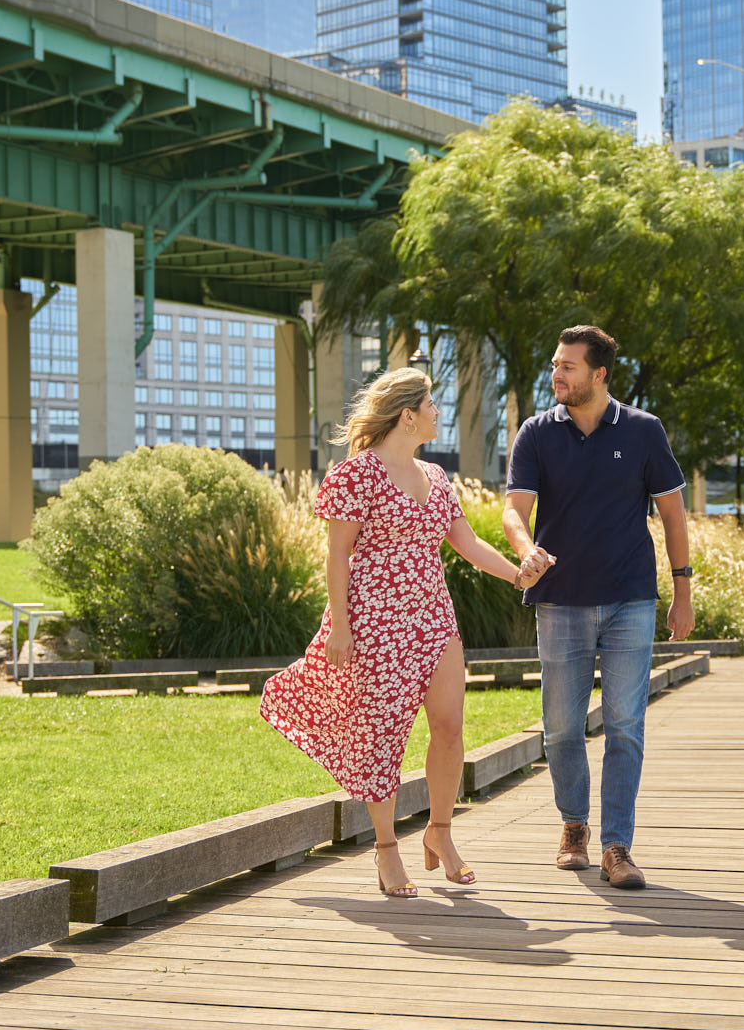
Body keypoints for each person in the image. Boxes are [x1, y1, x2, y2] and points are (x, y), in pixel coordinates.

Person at [260, 366, 547, 899]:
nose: (439, 413)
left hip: (434, 619)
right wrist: (340, 628)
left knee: (450, 727)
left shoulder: (438, 477)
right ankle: (386, 848)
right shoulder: (356, 475)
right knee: (382, 736)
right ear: (408, 415)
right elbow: (337, 556)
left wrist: (517, 572)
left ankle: (440, 833)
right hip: (374, 624)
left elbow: (465, 543)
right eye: (432, 405)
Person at [502, 325, 692, 891]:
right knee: (560, 728)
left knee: (625, 725)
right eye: (556, 366)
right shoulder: (536, 433)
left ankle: (617, 846)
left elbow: (674, 517)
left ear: (600, 373)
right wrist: (523, 547)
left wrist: (682, 593)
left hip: (631, 598)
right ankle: (573, 826)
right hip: (559, 602)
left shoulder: (642, 431)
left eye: (568, 367)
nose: (557, 375)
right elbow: (514, 510)